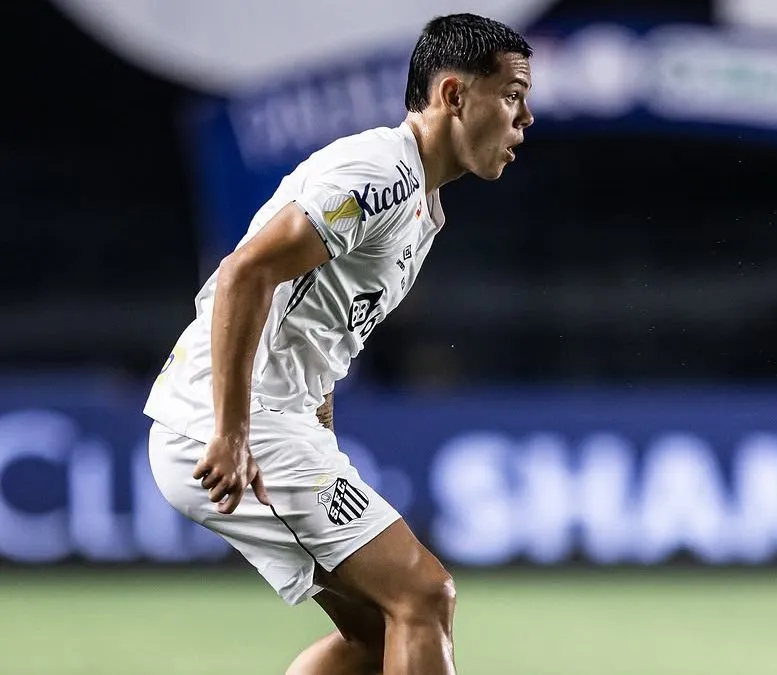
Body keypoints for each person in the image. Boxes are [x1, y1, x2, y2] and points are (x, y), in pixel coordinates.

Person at [143, 13, 534, 675]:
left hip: (262, 420)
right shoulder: (380, 174)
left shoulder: (419, 203)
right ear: (453, 95)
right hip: (229, 420)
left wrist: (317, 425)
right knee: (422, 593)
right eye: (513, 94)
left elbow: (315, 321)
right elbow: (245, 272)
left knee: (376, 633)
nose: (525, 118)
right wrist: (233, 430)